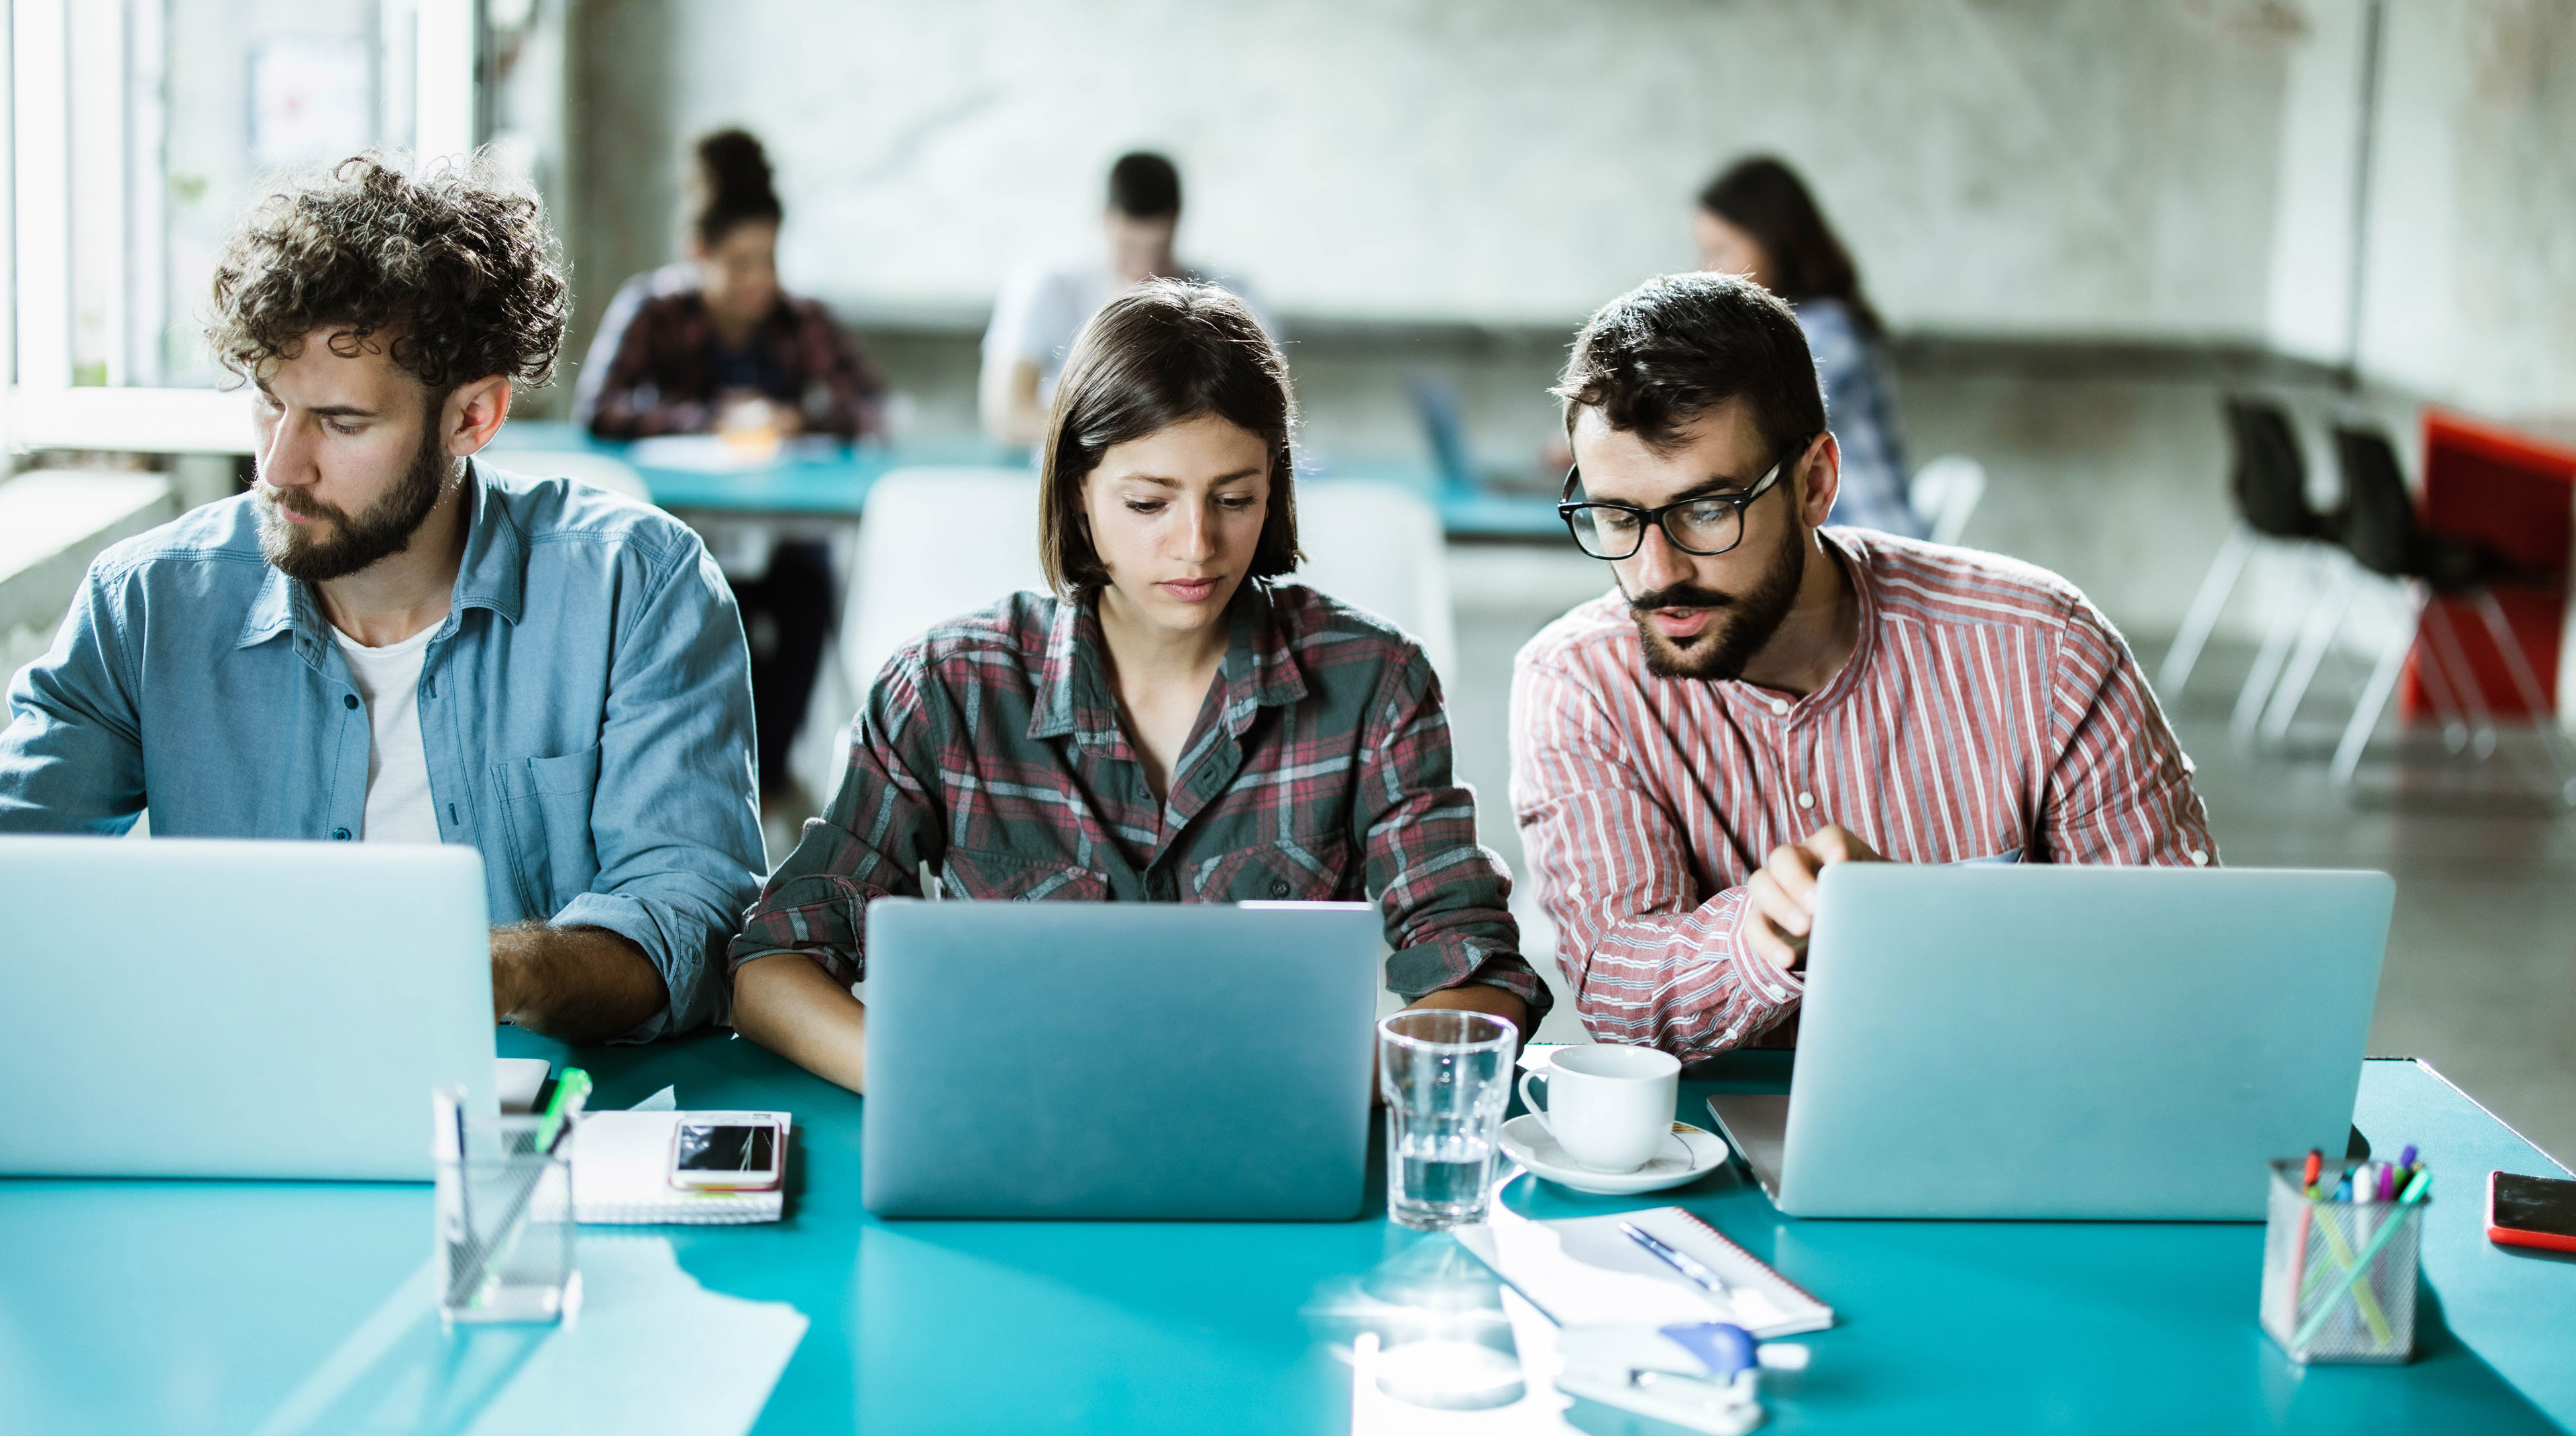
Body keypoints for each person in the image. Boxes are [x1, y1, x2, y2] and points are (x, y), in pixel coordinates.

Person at [0, 154, 763, 1043]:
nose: (279, 468)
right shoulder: (150, 603)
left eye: (343, 422)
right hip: (231, 1096)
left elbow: (692, 921)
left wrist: (501, 970)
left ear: (473, 417)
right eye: (270, 405)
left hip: (538, 1115)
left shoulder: (634, 585)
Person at [733, 282, 1546, 1092]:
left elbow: (1481, 974)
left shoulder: (1374, 684)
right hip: (1009, 1145)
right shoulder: (948, 689)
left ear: (1276, 490)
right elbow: (773, 964)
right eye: (1149, 502)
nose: (1197, 545)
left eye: (1236, 499)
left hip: (1273, 1155)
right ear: (1079, 494)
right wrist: (937, 1081)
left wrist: (1328, 1082)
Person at [1511, 274, 2215, 1061]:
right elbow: (1619, 998)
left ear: (1815, 483)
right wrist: (1759, 934)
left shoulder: (2047, 650)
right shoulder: (1576, 683)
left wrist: (1929, 930)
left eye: (1706, 509)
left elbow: (2180, 965)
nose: (1655, 571)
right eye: (1616, 516)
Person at [574, 129, 885, 805]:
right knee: (704, 598)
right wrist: (710, 417)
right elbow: (596, 410)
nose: (758, 281)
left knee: (809, 586)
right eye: (740, 263)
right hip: (677, 535)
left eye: (768, 261)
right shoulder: (652, 310)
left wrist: (799, 420)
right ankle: (689, 777)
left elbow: (870, 409)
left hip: (782, 546)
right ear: (699, 254)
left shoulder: (799, 322)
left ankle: (765, 782)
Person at [1693, 156, 1923, 537]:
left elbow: (1744, 429)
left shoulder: (1825, 332)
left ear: (1774, 243)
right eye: (1703, 252)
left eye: (1721, 250)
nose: (1706, 271)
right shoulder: (1785, 332)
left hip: (1869, 552)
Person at [979, 151, 1263, 448]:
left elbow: (1267, 413)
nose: (1142, 269)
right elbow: (1005, 415)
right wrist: (1128, 438)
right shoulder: (1047, 288)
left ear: (1177, 223)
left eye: (1157, 251)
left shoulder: (1229, 296)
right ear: (1104, 221)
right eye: (1128, 248)